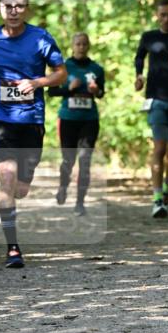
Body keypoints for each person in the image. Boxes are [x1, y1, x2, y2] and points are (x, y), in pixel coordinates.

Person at [0, 0, 66, 268]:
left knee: (21, 188)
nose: (13, 11)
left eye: (19, 6)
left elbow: (61, 73)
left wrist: (37, 82)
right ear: (0, 8)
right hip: (0, 120)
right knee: (7, 178)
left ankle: (10, 206)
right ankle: (13, 248)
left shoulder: (40, 38)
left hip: (31, 120)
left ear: (27, 9)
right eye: (8, 6)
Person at [134, 0, 168, 219]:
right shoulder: (149, 37)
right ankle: (157, 198)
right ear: (156, 15)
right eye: (163, 14)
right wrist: (138, 76)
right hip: (156, 100)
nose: (167, 18)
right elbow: (139, 57)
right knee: (159, 148)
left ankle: (167, 188)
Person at [48, 32, 105, 215]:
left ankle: (80, 202)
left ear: (88, 46)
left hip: (89, 120)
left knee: (85, 160)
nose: (81, 47)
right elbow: (52, 92)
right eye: (78, 44)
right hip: (68, 120)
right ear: (73, 46)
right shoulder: (63, 67)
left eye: (84, 44)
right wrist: (68, 89)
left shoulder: (96, 69)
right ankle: (63, 186)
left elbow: (102, 93)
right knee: (68, 159)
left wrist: (96, 91)